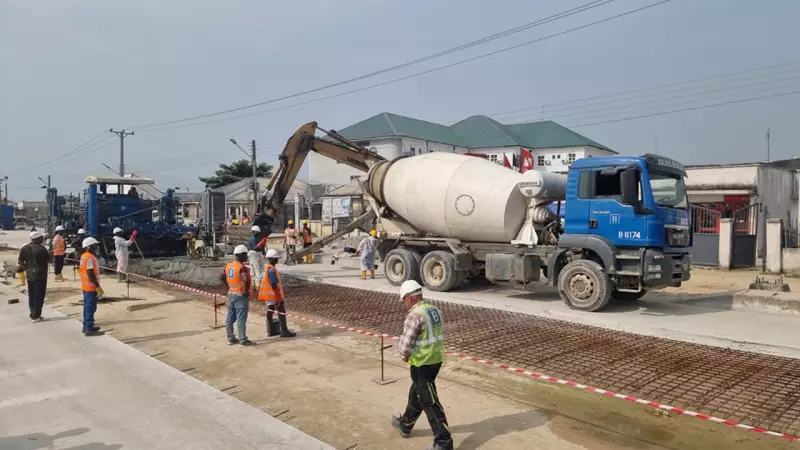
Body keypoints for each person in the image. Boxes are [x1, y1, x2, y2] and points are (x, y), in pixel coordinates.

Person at [390, 280, 453, 450]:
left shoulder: (415, 315)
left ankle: (443, 442)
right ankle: (405, 424)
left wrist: (403, 355)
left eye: (404, 300)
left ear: (410, 298)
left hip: (421, 363)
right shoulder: (434, 310)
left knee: (429, 401)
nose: (404, 304)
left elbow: (405, 344)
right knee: (417, 393)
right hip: (435, 360)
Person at [219, 245, 254, 346]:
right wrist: (246, 290)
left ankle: (231, 338)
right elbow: (245, 279)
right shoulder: (241, 268)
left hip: (231, 294)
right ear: (242, 255)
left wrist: (227, 290)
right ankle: (243, 340)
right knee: (241, 318)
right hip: (240, 295)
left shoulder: (228, 266)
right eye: (245, 255)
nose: (246, 257)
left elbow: (221, 278)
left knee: (230, 316)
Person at [259, 249, 295, 338]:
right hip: (273, 295)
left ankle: (270, 330)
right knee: (281, 311)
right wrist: (278, 298)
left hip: (268, 295)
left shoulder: (267, 268)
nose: (277, 260)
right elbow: (274, 285)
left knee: (270, 311)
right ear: (271, 259)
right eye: (276, 258)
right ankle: (284, 331)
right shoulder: (271, 270)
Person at [17, 231, 50, 322]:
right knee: (39, 295)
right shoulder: (42, 249)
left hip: (29, 274)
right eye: (41, 238)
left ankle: (33, 314)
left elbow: (20, 261)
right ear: (37, 239)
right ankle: (36, 316)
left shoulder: (24, 248)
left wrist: (26, 268)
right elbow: (49, 260)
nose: (42, 239)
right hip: (40, 275)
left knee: (31, 295)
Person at [79, 237, 104, 336]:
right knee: (91, 307)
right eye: (95, 245)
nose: (96, 247)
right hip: (90, 287)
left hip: (85, 287)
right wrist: (97, 286)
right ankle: (89, 328)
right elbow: (90, 274)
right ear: (89, 246)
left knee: (87, 307)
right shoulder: (89, 257)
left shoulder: (83, 256)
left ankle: (87, 326)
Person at [247, 225, 268, 289]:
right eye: (257, 232)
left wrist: (263, 251)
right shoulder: (253, 239)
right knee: (257, 268)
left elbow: (261, 247)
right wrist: (261, 243)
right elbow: (255, 248)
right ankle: (258, 284)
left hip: (257, 254)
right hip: (254, 254)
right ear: (254, 232)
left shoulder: (257, 238)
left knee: (254, 269)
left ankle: (254, 284)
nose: (259, 233)